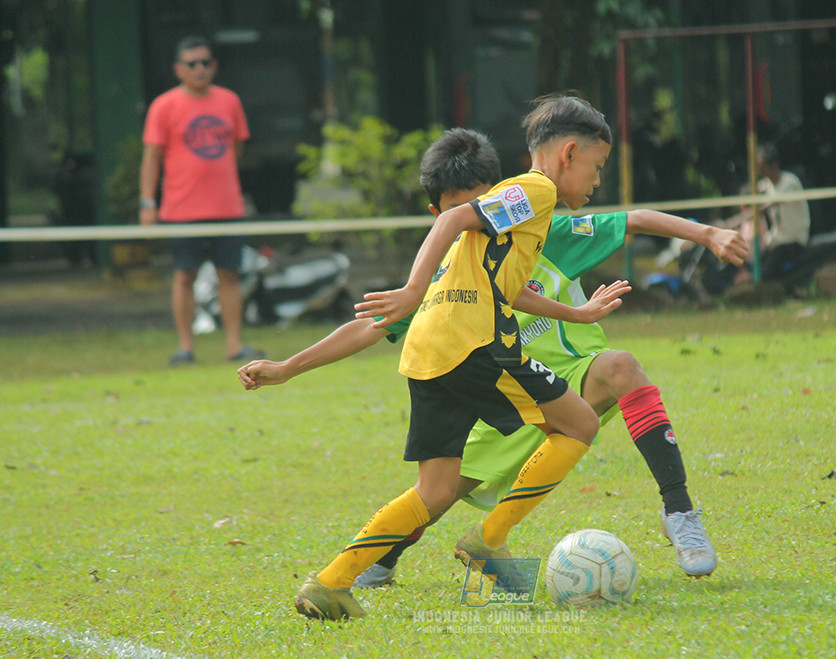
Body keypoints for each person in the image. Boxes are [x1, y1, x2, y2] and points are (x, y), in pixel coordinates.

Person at [238, 128, 749, 603]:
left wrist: (707, 233)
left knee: (618, 369)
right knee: (438, 492)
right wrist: (289, 366)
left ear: (500, 195)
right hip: (486, 376)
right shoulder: (447, 266)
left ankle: (678, 510)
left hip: (547, 377)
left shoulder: (540, 223)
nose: (478, 220)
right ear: (436, 210)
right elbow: (369, 327)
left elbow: (631, 220)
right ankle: (381, 560)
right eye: (461, 210)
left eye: (483, 205)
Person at [274, 94, 613, 621]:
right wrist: (410, 290)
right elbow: (449, 223)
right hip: (475, 343)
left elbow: (509, 285)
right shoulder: (537, 189)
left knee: (433, 489)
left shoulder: (519, 202)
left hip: (429, 349)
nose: (596, 182)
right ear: (570, 153)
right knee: (579, 424)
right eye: (597, 166)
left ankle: (331, 583)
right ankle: (488, 539)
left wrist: (578, 314)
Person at [139, 35, 263, 366]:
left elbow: (236, 149)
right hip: (182, 209)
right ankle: (185, 347)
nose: (200, 69)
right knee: (184, 275)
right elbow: (151, 158)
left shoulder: (229, 101)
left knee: (229, 275)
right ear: (179, 69)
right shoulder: (163, 106)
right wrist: (147, 203)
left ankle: (234, 345)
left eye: (206, 62)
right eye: (192, 64)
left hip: (226, 206)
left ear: (215, 66)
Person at [755, 142, 811, 282]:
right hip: (776, 239)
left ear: (773, 166)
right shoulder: (766, 185)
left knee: (768, 272)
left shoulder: (790, 183)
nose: (760, 171)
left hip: (793, 238)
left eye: (763, 167)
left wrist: (751, 212)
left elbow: (771, 204)